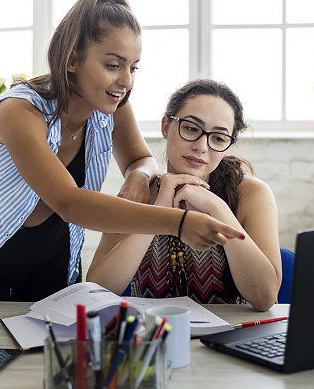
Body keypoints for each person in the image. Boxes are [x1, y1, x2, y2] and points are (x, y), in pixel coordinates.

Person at [0, 0, 244, 302]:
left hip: (55, 260)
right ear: (72, 60)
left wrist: (138, 176)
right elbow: (70, 203)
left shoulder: (111, 107)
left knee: (55, 351)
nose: (126, 82)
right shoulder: (18, 114)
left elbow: (141, 158)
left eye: (133, 67)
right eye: (113, 66)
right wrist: (177, 223)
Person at [86, 79, 281, 311]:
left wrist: (217, 208)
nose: (201, 146)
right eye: (190, 128)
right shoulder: (138, 193)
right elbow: (96, 291)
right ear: (166, 126)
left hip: (230, 335)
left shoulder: (250, 193)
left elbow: (265, 297)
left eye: (218, 138)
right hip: (155, 336)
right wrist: (159, 211)